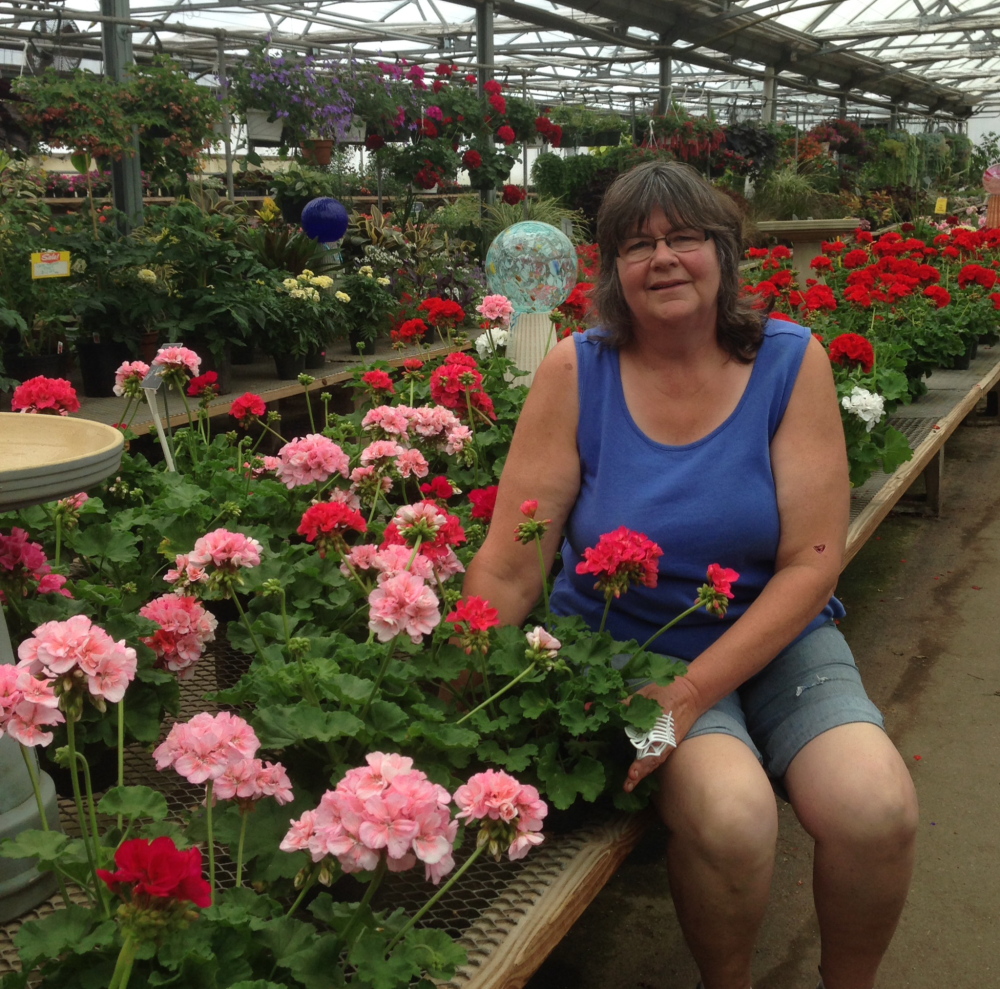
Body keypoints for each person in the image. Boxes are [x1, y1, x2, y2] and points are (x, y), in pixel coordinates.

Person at [462, 160, 918, 989]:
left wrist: (699, 689)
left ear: (724, 253)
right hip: (632, 658)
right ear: (611, 270)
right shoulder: (578, 369)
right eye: (638, 244)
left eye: (684, 238)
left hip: (779, 638)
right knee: (731, 815)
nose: (663, 257)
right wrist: (457, 680)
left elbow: (813, 563)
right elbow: (509, 558)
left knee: (875, 805)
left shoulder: (789, 361)